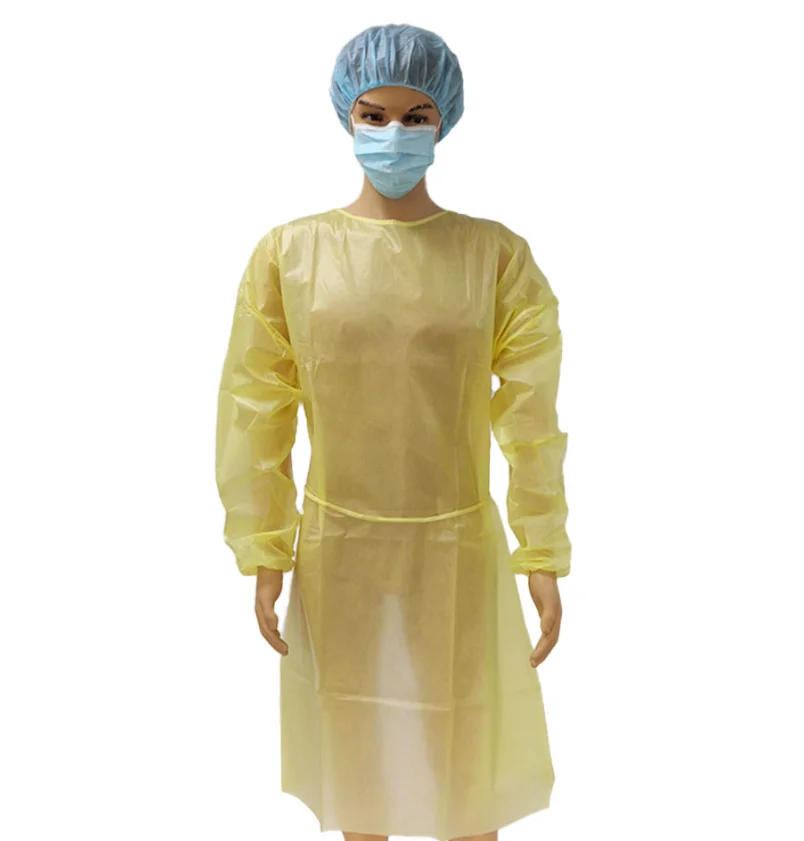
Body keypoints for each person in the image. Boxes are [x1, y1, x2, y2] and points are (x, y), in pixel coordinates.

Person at [215, 23, 572, 841]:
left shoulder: (493, 258)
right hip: (337, 542)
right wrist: (265, 546)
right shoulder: (290, 255)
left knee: (466, 756)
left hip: (458, 543)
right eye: (374, 115)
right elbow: (255, 408)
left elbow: (531, 419)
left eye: (415, 117)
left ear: (444, 119)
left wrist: (540, 549)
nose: (394, 134)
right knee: (357, 754)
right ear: (346, 115)